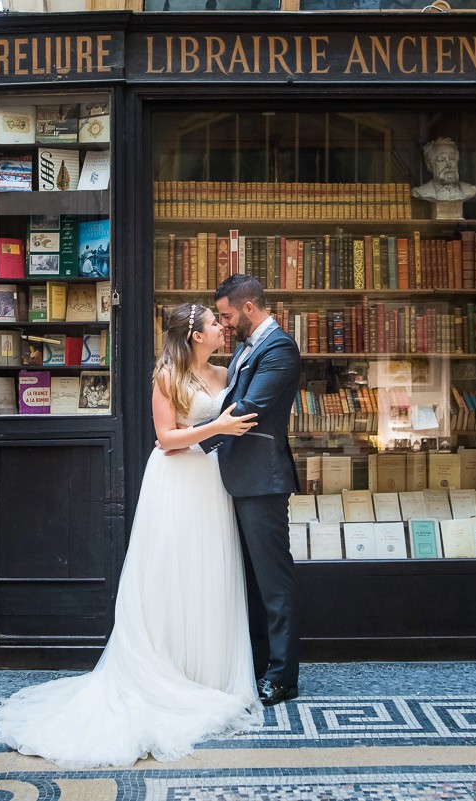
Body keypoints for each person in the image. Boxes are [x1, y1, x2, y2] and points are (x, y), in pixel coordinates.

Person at [0, 303, 262, 768]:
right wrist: (217, 426)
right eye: (216, 324)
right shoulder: (167, 376)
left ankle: (206, 671)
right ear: (196, 335)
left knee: (207, 574)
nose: (223, 328)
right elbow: (166, 438)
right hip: (176, 483)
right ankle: (170, 670)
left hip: (211, 482)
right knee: (171, 573)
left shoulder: (223, 373)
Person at [201, 274, 303, 707]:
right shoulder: (247, 347)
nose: (223, 325)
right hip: (237, 477)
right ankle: (258, 664)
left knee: (274, 583)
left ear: (247, 309)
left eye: (226, 316)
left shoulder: (279, 348)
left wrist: (192, 439)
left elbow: (250, 409)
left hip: (262, 480)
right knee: (250, 582)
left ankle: (283, 677)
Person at [411, 137, 476, 203]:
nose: (448, 165)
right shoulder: (420, 192)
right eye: (441, 160)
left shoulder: (472, 190)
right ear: (430, 165)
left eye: (452, 159)